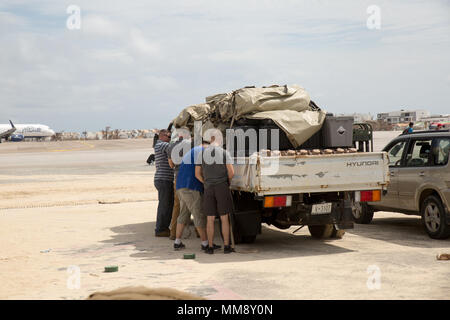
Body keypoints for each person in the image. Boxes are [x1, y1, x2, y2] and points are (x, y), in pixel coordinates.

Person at [173, 143, 221, 251]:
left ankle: (177, 242)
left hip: (181, 186)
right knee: (198, 214)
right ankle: (205, 244)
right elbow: (201, 172)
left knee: (183, 214)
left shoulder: (193, 151)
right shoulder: (203, 152)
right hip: (191, 187)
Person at [195, 135, 235, 254]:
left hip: (208, 187)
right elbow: (231, 172)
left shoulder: (201, 154)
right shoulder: (224, 153)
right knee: (224, 218)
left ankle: (211, 247)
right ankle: (227, 246)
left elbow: (197, 174)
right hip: (222, 186)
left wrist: (206, 182)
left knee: (210, 218)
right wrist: (226, 182)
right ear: (219, 141)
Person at [167, 129, 192, 240]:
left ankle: (173, 233)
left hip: (178, 178)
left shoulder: (171, 146)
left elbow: (171, 165)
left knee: (177, 205)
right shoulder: (191, 145)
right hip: (190, 177)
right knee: (195, 204)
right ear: (187, 135)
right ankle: (199, 232)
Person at [153, 129, 174, 237]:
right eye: (169, 137)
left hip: (163, 179)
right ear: (162, 136)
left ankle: (163, 228)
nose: (170, 139)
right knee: (165, 205)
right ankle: (160, 229)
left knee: (167, 204)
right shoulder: (162, 145)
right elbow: (174, 148)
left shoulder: (160, 145)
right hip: (164, 179)